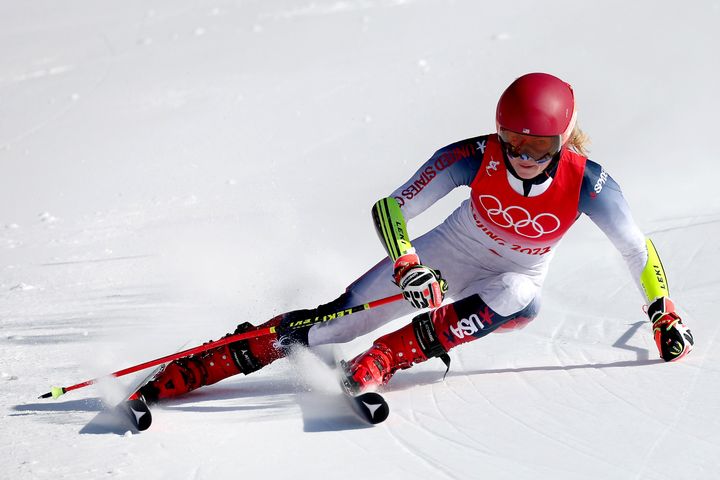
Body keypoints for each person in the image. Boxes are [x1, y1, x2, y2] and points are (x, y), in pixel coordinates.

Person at [134, 72, 694, 403]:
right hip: (447, 254)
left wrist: (662, 315)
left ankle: (385, 358)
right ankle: (212, 361)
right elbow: (391, 207)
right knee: (331, 326)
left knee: (521, 296)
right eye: (512, 142)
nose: (522, 158)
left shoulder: (589, 183)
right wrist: (406, 262)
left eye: (538, 148)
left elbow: (636, 250)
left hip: (513, 278)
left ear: (563, 141)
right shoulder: (472, 156)